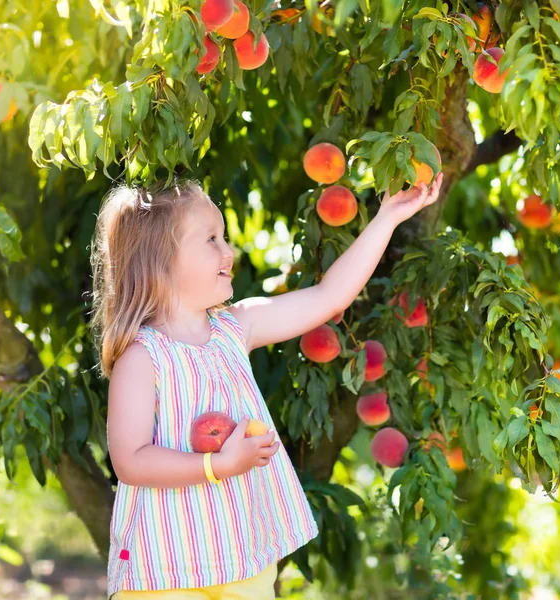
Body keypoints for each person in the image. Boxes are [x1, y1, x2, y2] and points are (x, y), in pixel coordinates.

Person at [90, 172, 443, 600]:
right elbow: (130, 462)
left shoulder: (236, 328)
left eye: (224, 237)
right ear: (160, 261)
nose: (229, 250)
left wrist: (387, 217)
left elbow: (330, 296)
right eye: (211, 240)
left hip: (244, 557)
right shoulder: (142, 358)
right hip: (167, 566)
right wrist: (216, 466)